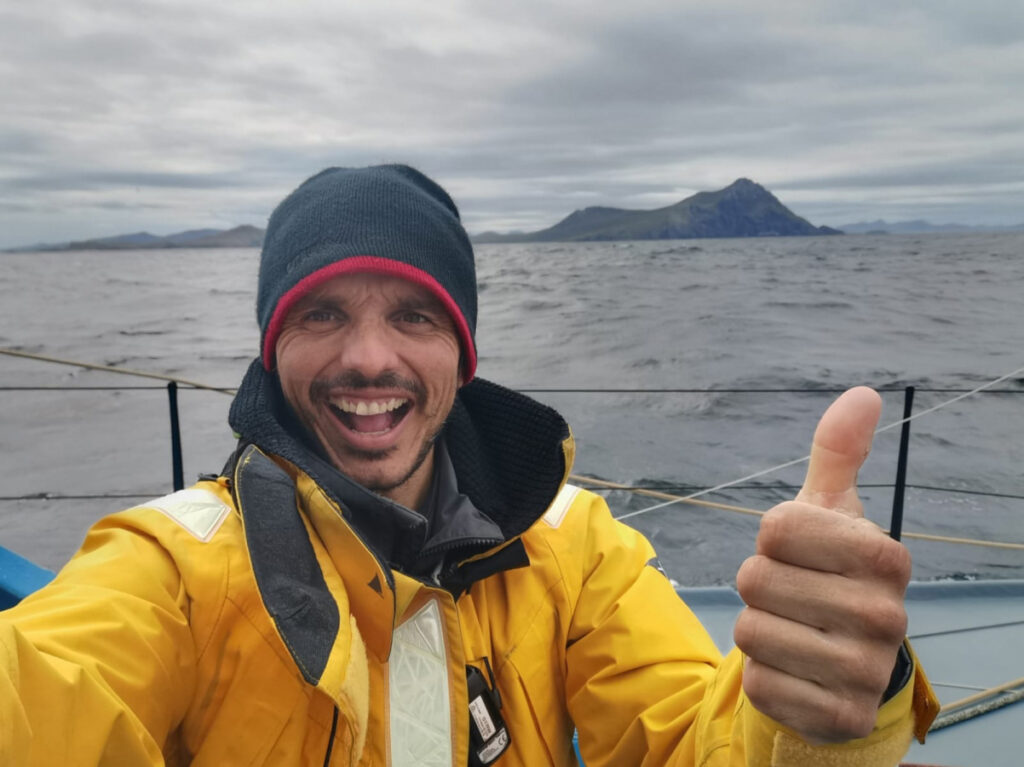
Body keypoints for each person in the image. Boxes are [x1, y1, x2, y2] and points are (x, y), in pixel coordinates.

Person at [0, 165, 938, 766]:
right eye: (322, 313)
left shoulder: (577, 547)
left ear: (463, 352)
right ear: (271, 352)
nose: (370, 358)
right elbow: (50, 693)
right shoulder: (173, 564)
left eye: (414, 315)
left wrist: (808, 715)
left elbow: (696, 742)